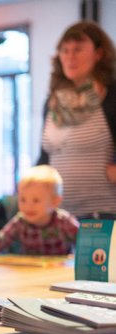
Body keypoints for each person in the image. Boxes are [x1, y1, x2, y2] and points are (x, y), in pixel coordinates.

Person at [38, 21, 116, 220]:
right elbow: (44, 159)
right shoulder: (52, 102)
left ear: (99, 54)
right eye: (65, 50)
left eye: (78, 49)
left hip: (105, 214)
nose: (70, 57)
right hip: (58, 218)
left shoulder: (112, 96)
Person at [0, 165, 79, 259]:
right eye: (23, 200)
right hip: (30, 272)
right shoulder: (20, 221)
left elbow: (83, 243)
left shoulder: (64, 221)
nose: (28, 206)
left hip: (59, 272)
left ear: (55, 201)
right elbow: (1, 240)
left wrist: (77, 257)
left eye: (36, 200)